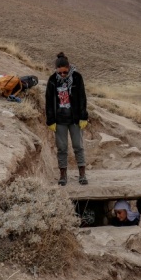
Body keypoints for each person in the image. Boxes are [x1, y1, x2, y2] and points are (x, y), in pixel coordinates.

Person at [45, 52, 89, 186]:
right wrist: (50, 120)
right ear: (56, 70)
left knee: (78, 146)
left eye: (65, 72)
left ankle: (82, 174)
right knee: (62, 148)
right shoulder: (52, 80)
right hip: (59, 120)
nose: (63, 75)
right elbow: (48, 101)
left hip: (75, 119)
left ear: (69, 67)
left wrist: (83, 116)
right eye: (60, 73)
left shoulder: (77, 77)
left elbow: (82, 97)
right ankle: (63, 175)